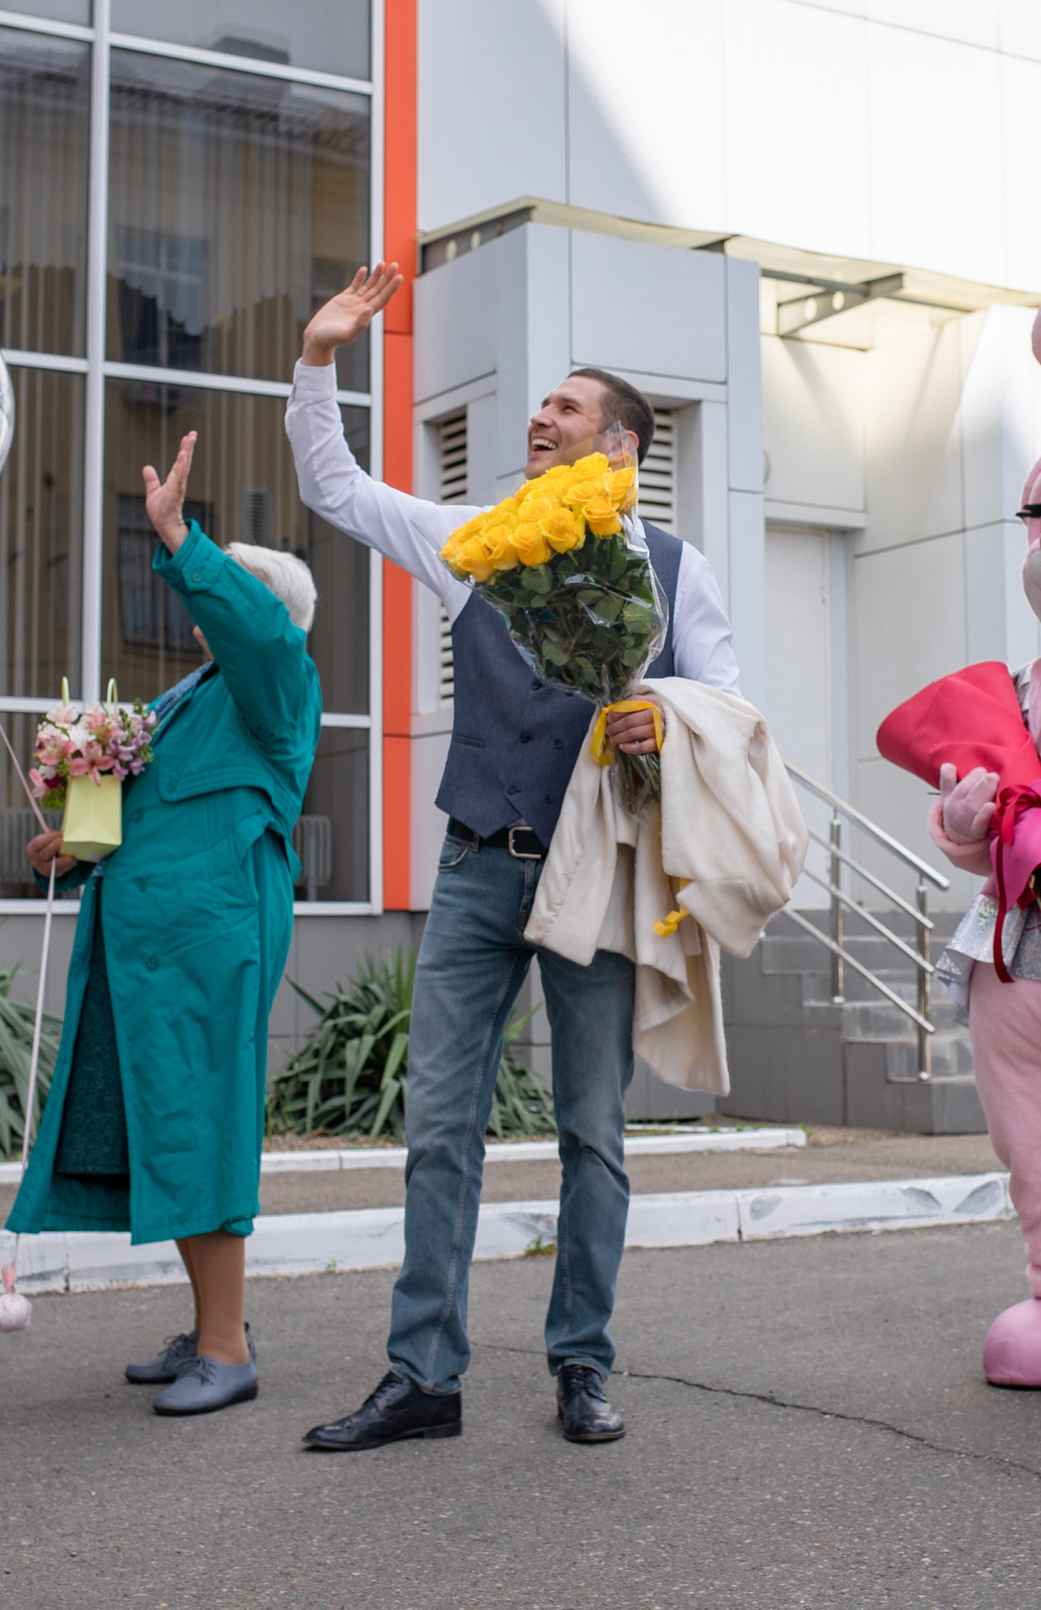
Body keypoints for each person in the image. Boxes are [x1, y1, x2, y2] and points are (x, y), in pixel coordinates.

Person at [290, 264, 740, 1450]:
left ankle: (581, 1364)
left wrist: (665, 720)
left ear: (622, 448)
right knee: (440, 1124)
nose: (539, 420)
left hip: (593, 877)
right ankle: (421, 1377)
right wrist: (319, 357)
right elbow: (335, 489)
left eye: (565, 409)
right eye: (538, 408)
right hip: (478, 861)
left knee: (592, 1129)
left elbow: (729, 710)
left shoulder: (677, 570)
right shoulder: (475, 543)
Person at [5, 431, 320, 1417]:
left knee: (201, 1120)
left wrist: (182, 537)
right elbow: (152, 814)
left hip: (208, 937)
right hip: (148, 935)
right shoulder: (191, 699)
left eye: (225, 586)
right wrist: (73, 844)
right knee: (168, 1119)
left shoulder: (274, 682)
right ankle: (211, 1328)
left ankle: (227, 1347)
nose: (202, 602)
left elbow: (256, 631)